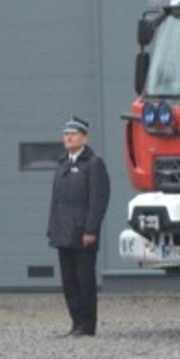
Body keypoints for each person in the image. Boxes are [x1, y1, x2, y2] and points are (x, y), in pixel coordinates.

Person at [47, 115, 109, 337]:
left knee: (84, 281)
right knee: (69, 282)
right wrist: (52, 229)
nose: (68, 138)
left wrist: (91, 230)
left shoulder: (93, 165)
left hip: (83, 234)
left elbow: (98, 200)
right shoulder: (62, 164)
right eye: (66, 134)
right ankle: (75, 323)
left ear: (84, 138)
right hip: (63, 233)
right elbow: (57, 201)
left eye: (73, 134)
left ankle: (87, 325)